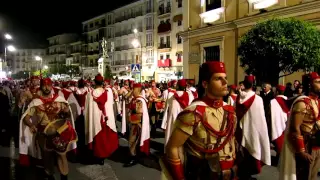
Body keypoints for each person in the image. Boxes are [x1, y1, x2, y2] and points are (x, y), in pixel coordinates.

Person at [163, 61, 237, 180]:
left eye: (225, 78)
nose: (225, 82)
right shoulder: (193, 113)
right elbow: (172, 147)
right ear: (205, 84)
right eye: (218, 79)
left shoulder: (230, 111)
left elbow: (232, 141)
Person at [19, 78, 77, 180]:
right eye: (44, 85)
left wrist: (66, 111)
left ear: (51, 86)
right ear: (41, 86)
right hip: (43, 134)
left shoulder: (59, 99)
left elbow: (68, 113)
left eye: (49, 85)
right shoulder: (36, 102)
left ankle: (64, 177)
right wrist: (31, 125)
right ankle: (49, 175)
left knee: (61, 155)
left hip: (59, 133)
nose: (47, 87)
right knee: (47, 156)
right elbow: (26, 117)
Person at [279, 72, 320, 180]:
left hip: (317, 146)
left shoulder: (316, 101)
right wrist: (302, 151)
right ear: (310, 84)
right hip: (307, 146)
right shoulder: (302, 102)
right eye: (318, 82)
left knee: (313, 176)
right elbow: (295, 128)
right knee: (304, 176)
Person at [235, 75, 271, 180]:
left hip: (240, 131)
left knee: (242, 153)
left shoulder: (238, 98)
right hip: (253, 131)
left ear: (244, 84)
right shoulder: (258, 99)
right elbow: (260, 119)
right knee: (253, 150)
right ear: (253, 85)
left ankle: (242, 173)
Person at [84, 74, 118, 165]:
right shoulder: (108, 92)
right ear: (102, 82)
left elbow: (87, 109)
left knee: (98, 140)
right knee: (105, 138)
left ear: (94, 82)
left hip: (96, 120)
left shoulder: (90, 94)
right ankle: (104, 155)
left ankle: (99, 156)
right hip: (106, 120)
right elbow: (111, 104)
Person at [122, 83, 150, 167]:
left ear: (137, 90)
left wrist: (130, 114)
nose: (132, 91)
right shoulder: (136, 99)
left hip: (137, 124)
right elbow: (125, 98)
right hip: (135, 123)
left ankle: (133, 158)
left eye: (133, 89)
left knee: (132, 141)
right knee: (134, 141)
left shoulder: (139, 100)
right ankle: (135, 156)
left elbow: (139, 112)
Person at [161, 79, 193, 151]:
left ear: (177, 86)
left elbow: (166, 111)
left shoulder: (171, 97)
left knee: (171, 138)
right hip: (184, 122)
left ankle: (169, 154)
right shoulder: (190, 96)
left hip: (172, 121)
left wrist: (164, 125)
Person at [269, 85, 289, 155]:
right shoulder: (288, 100)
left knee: (278, 141)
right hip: (286, 123)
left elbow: (269, 114)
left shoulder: (272, 101)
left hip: (277, 124)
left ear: (277, 92)